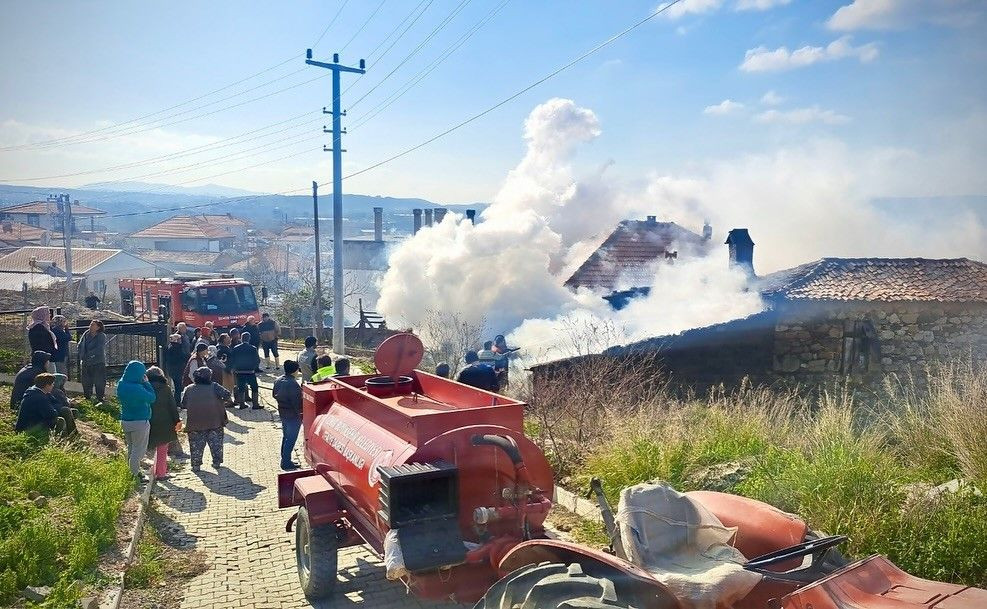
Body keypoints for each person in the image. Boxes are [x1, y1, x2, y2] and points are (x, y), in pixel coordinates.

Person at [182, 366, 231, 472]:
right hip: (214, 421)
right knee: (216, 443)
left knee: (196, 445)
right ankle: (216, 462)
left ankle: (196, 465)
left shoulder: (189, 389)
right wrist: (220, 401)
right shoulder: (215, 386)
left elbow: (183, 403)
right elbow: (227, 395)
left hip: (195, 422)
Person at [116, 361, 156, 482]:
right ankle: (134, 474)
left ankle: (130, 471)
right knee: (139, 450)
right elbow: (152, 397)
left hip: (126, 420)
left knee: (131, 448)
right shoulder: (137, 388)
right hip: (140, 421)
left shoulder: (121, 384)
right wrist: (147, 383)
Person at [146, 366, 181, 480]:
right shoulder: (166, 388)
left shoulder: (144, 387)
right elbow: (172, 406)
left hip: (147, 420)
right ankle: (161, 473)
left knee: (146, 447)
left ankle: (151, 471)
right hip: (165, 422)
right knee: (162, 449)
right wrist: (177, 420)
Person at [273, 360, 302, 470]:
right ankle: (286, 462)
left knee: (286, 437)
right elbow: (296, 402)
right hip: (293, 415)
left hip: (283, 412)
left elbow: (274, 394)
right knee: (291, 439)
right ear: (295, 371)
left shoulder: (278, 380)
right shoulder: (293, 384)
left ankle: (285, 459)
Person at [78, 320, 107, 402]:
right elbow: (80, 345)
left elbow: (99, 348)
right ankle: (87, 397)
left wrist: (90, 355)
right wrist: (82, 354)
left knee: (99, 381)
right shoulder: (86, 334)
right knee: (86, 381)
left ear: (98, 327)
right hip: (85, 362)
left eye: (93, 325)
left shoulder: (101, 336)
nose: (90, 326)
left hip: (98, 362)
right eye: (90, 324)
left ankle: (100, 398)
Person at [229, 332, 261, 409]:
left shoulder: (236, 348)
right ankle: (255, 404)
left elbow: (232, 360)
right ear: (249, 338)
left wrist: (236, 368)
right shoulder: (253, 348)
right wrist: (253, 367)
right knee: (254, 387)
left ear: (241, 338)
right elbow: (257, 360)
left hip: (239, 371)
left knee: (241, 388)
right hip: (250, 371)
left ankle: (242, 404)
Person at [164, 333, 186, 405]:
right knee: (178, 387)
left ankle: (176, 401)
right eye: (179, 339)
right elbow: (181, 357)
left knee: (177, 386)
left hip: (173, 369)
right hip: (177, 370)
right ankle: (177, 401)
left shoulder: (170, 347)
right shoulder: (176, 348)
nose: (181, 340)